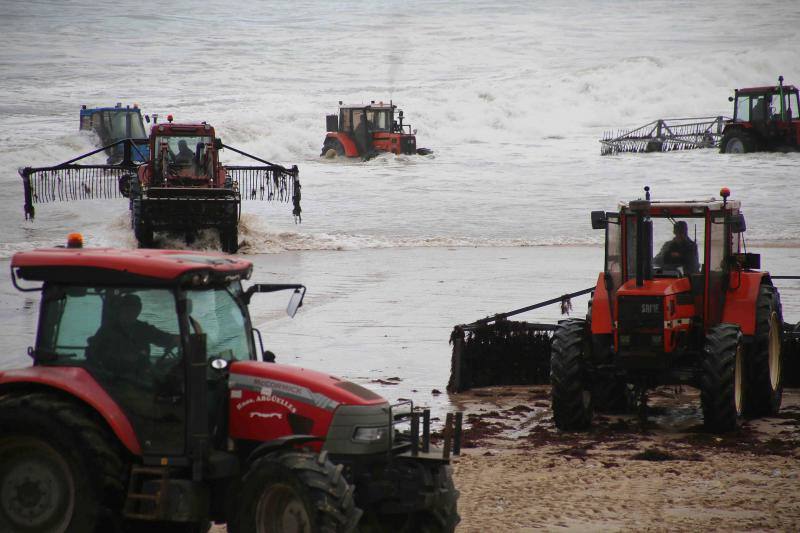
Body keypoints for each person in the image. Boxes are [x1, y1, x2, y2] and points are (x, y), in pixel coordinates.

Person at [86, 293, 180, 377]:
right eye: (127, 309)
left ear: (139, 311)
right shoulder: (107, 330)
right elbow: (92, 354)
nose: (130, 313)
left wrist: (180, 340)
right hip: (113, 380)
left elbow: (166, 339)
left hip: (140, 379)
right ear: (120, 310)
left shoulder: (144, 329)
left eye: (134, 309)